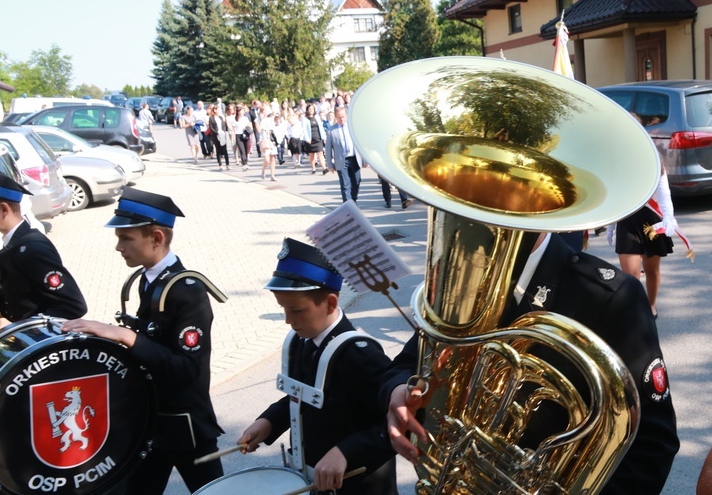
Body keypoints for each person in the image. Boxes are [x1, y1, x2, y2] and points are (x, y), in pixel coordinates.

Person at [380, 232, 679, 493]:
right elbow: (408, 363)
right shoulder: (458, 276)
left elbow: (652, 446)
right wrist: (397, 391)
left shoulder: (608, 296)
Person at [61, 187, 224, 495]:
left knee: (213, 491)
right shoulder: (148, 279)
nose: (118, 247)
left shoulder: (186, 289)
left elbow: (187, 370)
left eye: (126, 238)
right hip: (153, 420)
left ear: (157, 238)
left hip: (185, 425)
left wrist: (127, 336)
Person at [237, 238, 397, 494]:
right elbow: (303, 398)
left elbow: (397, 424)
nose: (289, 320)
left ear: (330, 303)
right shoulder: (302, 341)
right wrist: (269, 421)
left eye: (297, 310)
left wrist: (346, 453)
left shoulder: (360, 355)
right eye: (284, 309)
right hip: (316, 483)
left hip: (361, 487)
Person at [0, 169, 87, 327]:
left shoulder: (32, 249)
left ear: (4, 209)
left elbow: (73, 306)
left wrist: (15, 328)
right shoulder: (15, 244)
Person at [608, 165, 675, 319]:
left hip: (651, 221)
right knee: (630, 275)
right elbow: (615, 195)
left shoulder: (657, 164)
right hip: (627, 221)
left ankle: (651, 305)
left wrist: (668, 217)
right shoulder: (623, 164)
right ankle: (635, 311)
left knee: (652, 270)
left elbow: (664, 196)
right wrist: (611, 224)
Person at [325, 106, 365, 203]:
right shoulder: (331, 131)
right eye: (339, 117)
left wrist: (364, 159)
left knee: (356, 181)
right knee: (345, 185)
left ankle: (353, 200)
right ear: (335, 117)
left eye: (343, 116)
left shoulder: (353, 127)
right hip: (341, 161)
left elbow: (360, 143)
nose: (341, 119)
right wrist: (330, 164)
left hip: (355, 159)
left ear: (346, 116)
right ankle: (348, 206)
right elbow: (328, 149)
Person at [302, 104, 328, 175]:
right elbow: (304, 130)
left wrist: (324, 137)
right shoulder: (305, 119)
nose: (311, 110)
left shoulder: (317, 117)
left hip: (318, 138)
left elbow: (321, 127)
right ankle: (313, 168)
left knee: (320, 152)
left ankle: (324, 168)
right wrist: (306, 138)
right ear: (307, 110)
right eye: (309, 109)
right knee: (311, 154)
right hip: (310, 139)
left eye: (312, 109)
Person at [208, 104, 230, 170]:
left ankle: (227, 164)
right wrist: (217, 132)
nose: (220, 111)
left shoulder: (220, 117)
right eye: (218, 109)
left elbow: (224, 125)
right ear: (215, 110)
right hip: (216, 135)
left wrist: (223, 131)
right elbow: (211, 127)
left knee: (225, 150)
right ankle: (220, 164)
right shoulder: (211, 118)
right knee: (218, 150)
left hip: (222, 134)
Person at [235, 106, 252, 171]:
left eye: (243, 111)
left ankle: (246, 162)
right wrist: (233, 137)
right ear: (238, 111)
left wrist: (248, 129)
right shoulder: (235, 118)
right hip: (238, 135)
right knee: (242, 150)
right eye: (241, 110)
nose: (243, 112)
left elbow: (249, 125)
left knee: (246, 150)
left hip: (246, 134)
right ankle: (244, 164)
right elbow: (233, 128)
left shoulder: (246, 118)